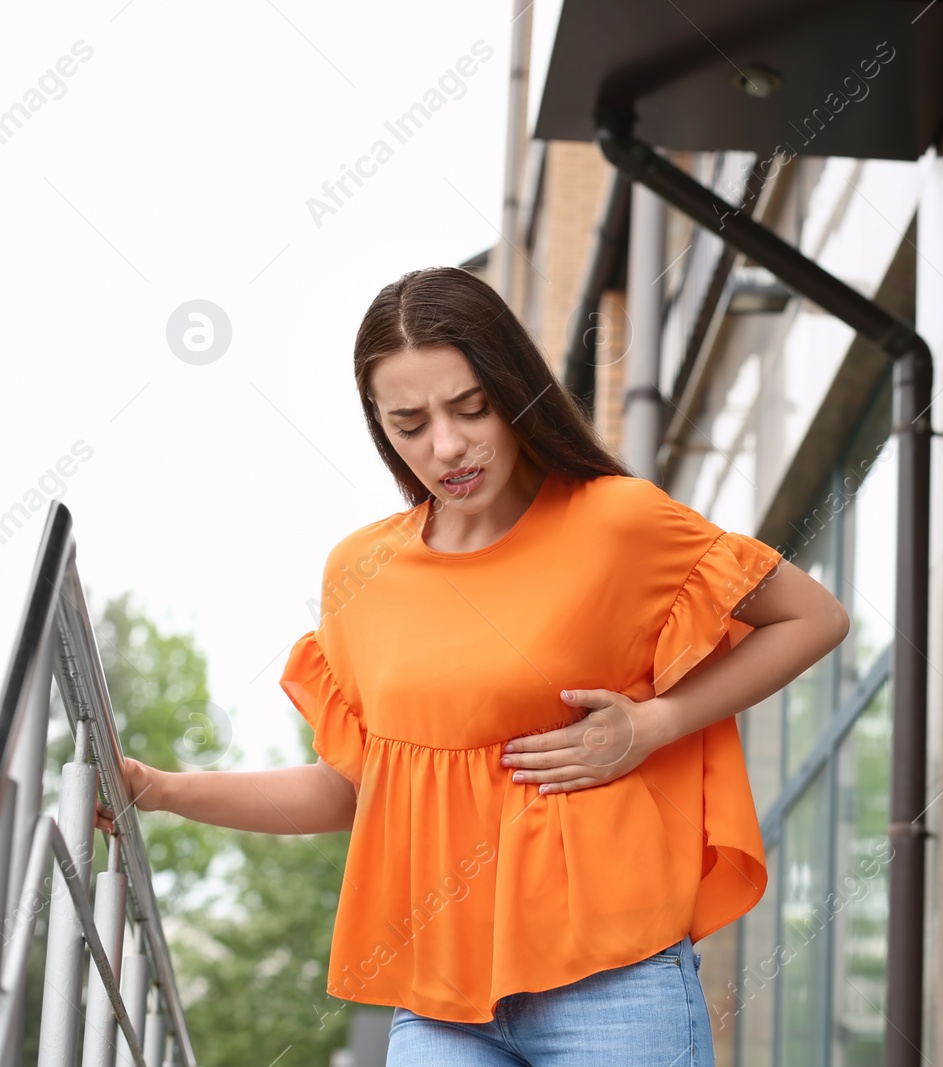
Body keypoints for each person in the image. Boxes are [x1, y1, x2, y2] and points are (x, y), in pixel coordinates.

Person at [99, 265, 850, 1065]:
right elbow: (353, 788)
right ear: (378, 425)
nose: (447, 446)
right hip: (439, 1003)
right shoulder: (362, 574)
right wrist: (160, 789)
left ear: (514, 388)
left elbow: (814, 616)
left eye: (471, 408)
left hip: (617, 982)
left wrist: (655, 722)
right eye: (409, 422)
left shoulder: (619, 523)